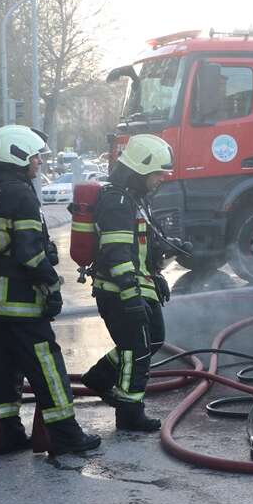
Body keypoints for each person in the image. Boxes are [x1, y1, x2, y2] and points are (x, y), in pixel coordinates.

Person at [0, 125, 101, 455]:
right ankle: (66, 435)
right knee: (47, 365)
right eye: (35, 155)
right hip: (20, 301)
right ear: (18, 155)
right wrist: (52, 285)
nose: (40, 161)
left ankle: (6, 434)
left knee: (2, 369)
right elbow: (29, 253)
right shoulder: (20, 193)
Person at [81, 134, 178, 431]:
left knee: (153, 340)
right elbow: (117, 252)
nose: (162, 178)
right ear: (139, 170)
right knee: (135, 350)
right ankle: (129, 412)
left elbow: (141, 247)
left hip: (139, 285)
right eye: (158, 173)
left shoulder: (135, 199)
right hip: (118, 290)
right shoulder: (117, 201)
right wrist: (130, 295)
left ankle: (99, 377)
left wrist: (164, 258)